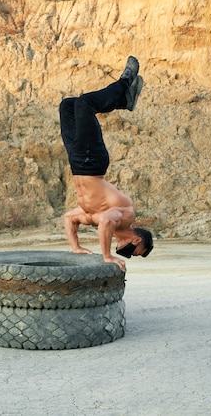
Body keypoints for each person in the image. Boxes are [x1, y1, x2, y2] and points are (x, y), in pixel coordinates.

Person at [59, 55, 153, 271]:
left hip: (77, 162)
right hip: (92, 162)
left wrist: (76, 247)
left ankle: (123, 101)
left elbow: (70, 218)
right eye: (134, 253)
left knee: (68, 106)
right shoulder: (124, 217)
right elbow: (106, 223)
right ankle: (125, 81)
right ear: (137, 240)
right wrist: (107, 255)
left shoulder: (98, 215)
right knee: (85, 104)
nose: (129, 256)